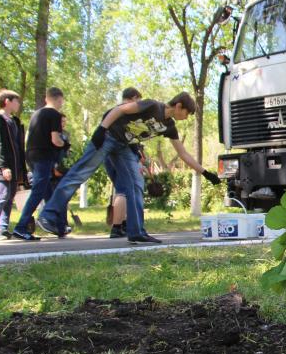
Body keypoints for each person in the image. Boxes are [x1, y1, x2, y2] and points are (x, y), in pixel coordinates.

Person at [37, 92, 221, 243]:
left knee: (136, 182)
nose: (186, 117)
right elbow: (120, 109)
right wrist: (102, 129)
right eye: (187, 113)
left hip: (124, 146)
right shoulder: (152, 106)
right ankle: (48, 215)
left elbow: (183, 154)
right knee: (80, 173)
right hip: (108, 136)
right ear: (179, 106)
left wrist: (205, 173)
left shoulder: (169, 126)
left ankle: (136, 231)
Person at [12, 87, 66, 241]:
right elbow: (55, 139)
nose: (61, 103)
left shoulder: (37, 113)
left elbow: (28, 136)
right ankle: (21, 227)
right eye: (61, 101)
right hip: (44, 155)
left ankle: (58, 225)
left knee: (48, 191)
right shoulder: (54, 114)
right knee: (38, 191)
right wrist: (64, 144)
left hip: (31, 154)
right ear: (58, 99)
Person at [0, 89, 27, 241]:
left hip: (14, 166)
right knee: (2, 195)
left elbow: (17, 145)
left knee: (10, 197)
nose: (18, 104)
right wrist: (3, 167)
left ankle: (3, 228)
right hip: (3, 166)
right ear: (7, 101)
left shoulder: (14, 120)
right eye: (16, 101)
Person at [104, 87, 144, 238]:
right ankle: (117, 227)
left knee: (123, 189)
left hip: (108, 155)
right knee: (123, 190)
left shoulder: (111, 112)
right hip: (122, 154)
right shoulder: (126, 113)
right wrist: (137, 153)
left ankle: (125, 223)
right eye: (138, 101)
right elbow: (130, 137)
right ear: (133, 98)